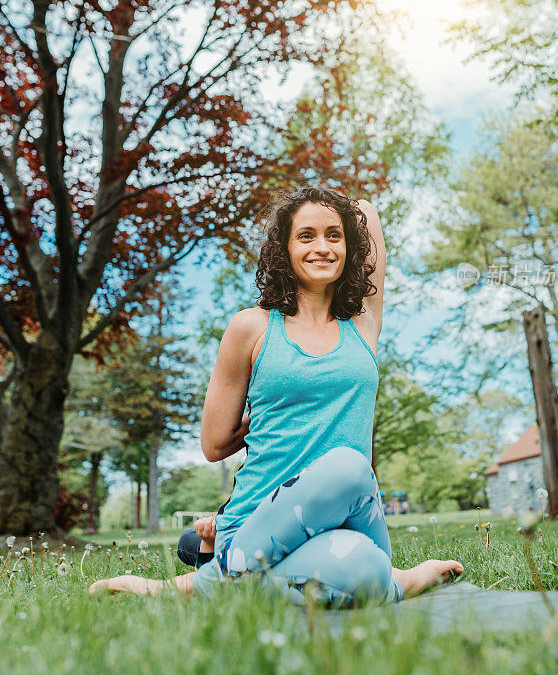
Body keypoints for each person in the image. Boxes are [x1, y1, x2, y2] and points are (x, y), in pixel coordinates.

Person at [90, 186, 463, 604]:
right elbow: (214, 443)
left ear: (349, 247)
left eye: (334, 236)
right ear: (283, 249)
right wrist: (277, 414)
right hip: (257, 521)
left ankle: (207, 583)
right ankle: (393, 581)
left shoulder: (362, 324)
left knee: (361, 553)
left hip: (348, 523)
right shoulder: (251, 328)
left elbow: (366, 213)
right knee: (348, 472)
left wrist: (330, 207)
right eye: (305, 235)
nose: (322, 246)